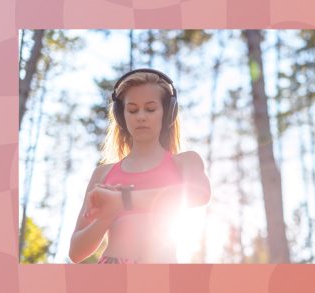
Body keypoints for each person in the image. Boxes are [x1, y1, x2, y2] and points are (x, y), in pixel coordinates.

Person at [69, 68, 211, 264]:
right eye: (132, 110)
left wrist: (122, 199)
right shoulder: (103, 173)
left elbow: (198, 193)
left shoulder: (186, 161)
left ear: (167, 112)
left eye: (150, 109)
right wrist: (106, 216)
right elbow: (76, 253)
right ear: (121, 115)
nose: (141, 116)